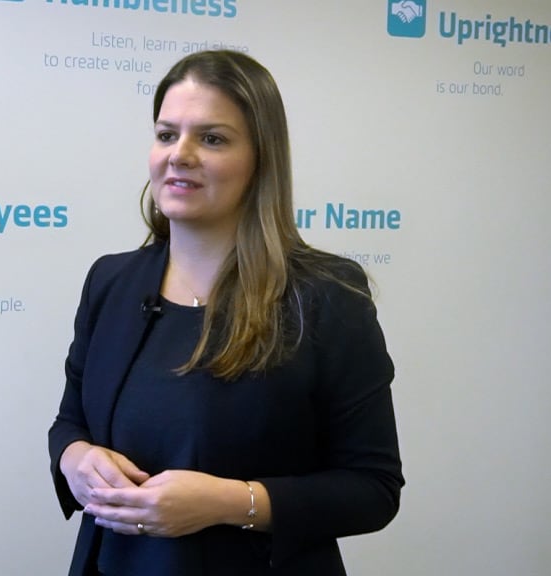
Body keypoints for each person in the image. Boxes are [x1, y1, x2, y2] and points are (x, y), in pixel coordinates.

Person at [47, 50, 404, 576]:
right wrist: (75, 458)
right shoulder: (111, 281)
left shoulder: (327, 294)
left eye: (211, 139)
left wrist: (228, 503)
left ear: (261, 160)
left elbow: (373, 488)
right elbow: (70, 421)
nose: (180, 154)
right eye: (166, 135)